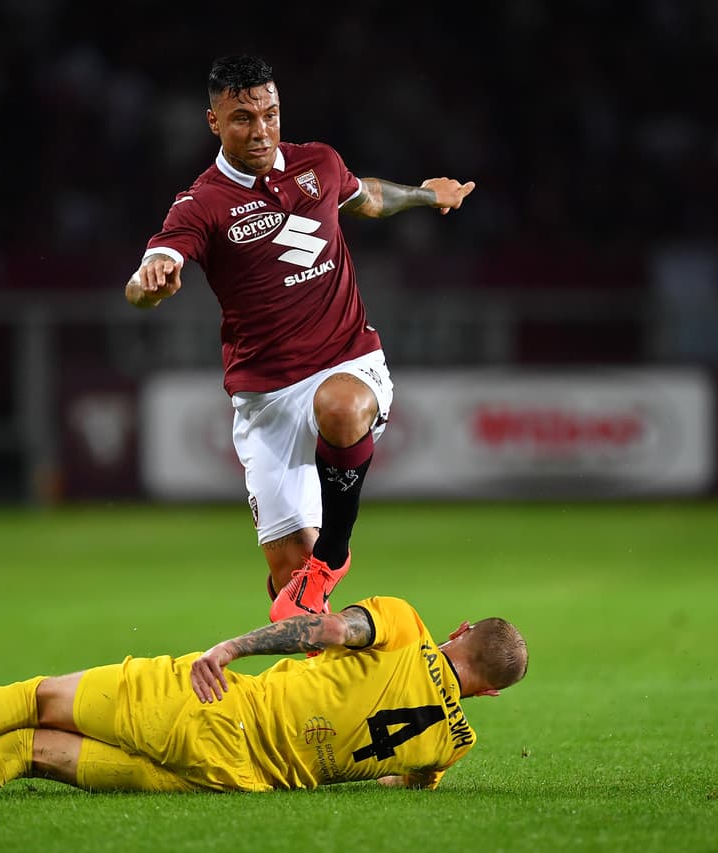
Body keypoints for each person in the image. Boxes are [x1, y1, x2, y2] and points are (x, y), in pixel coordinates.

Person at [125, 55, 476, 621]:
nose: (261, 130)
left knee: (338, 406)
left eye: (270, 113)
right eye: (242, 118)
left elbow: (365, 197)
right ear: (213, 122)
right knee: (295, 607)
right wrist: (149, 282)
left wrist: (425, 195)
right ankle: (319, 699)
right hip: (266, 399)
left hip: (349, 360)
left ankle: (333, 554)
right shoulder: (203, 203)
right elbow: (158, 261)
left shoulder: (318, 163)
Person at [0, 596, 527, 799]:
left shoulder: (404, 625)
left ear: (459, 628)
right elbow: (407, 779)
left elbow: (327, 628)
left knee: (35, 697)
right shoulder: (453, 745)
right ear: (488, 690)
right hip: (234, 778)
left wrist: (231, 646)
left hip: (212, 709)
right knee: (30, 753)